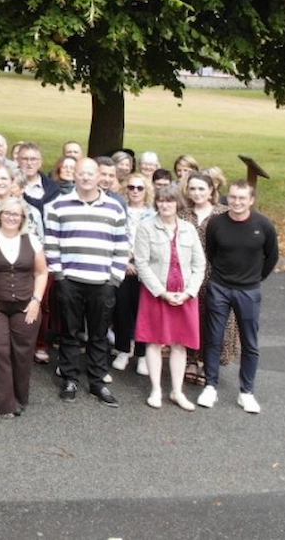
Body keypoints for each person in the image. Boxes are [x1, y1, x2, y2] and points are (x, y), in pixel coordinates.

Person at [44, 158, 130, 408]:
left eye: (90, 173)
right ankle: (70, 378)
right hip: (70, 280)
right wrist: (59, 275)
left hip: (102, 282)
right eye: (81, 173)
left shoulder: (114, 208)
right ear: (74, 176)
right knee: (69, 333)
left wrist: (114, 278)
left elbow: (121, 246)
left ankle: (97, 381)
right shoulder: (58, 205)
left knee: (98, 335)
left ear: (99, 176)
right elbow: (51, 243)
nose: (85, 178)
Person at [199, 181, 278, 414]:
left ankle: (247, 392)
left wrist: (255, 278)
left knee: (249, 342)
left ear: (251, 200)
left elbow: (271, 257)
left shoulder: (263, 225)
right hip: (220, 287)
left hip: (249, 290)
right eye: (233, 197)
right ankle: (210, 386)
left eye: (242, 198)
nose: (237, 202)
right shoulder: (216, 223)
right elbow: (211, 253)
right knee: (213, 338)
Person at [0, 197, 47, 418]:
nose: (11, 217)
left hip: (26, 305)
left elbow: (41, 272)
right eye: (7, 213)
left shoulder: (32, 240)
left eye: (16, 214)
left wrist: (36, 301)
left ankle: (18, 399)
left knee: (22, 353)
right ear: (0, 215)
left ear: (22, 218)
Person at [133, 187, 205, 411]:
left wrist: (189, 292)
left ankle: (177, 391)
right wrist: (161, 292)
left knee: (179, 344)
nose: (165, 205)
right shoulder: (146, 227)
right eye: (161, 201)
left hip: (184, 295)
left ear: (178, 203)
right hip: (156, 294)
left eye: (170, 201)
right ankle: (156, 390)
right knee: (154, 341)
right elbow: (141, 263)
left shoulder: (189, 229)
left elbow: (199, 264)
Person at [179, 171, 232, 385]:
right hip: (189, 274)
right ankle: (192, 359)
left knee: (213, 319)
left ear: (211, 190)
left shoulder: (224, 214)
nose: (197, 193)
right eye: (192, 188)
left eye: (201, 188)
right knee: (192, 318)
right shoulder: (183, 215)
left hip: (216, 273)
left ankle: (206, 361)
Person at [113, 173, 156, 374]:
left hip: (146, 270)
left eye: (140, 188)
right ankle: (123, 349)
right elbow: (112, 239)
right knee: (122, 311)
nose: (135, 191)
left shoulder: (153, 214)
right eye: (131, 187)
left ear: (146, 190)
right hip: (122, 268)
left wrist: (139, 262)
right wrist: (124, 262)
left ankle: (142, 354)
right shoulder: (118, 211)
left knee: (144, 313)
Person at [16, 143, 60, 213]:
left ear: (40, 162)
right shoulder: (8, 185)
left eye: (33, 159)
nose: (29, 163)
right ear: (18, 161)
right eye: (25, 159)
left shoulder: (53, 188)